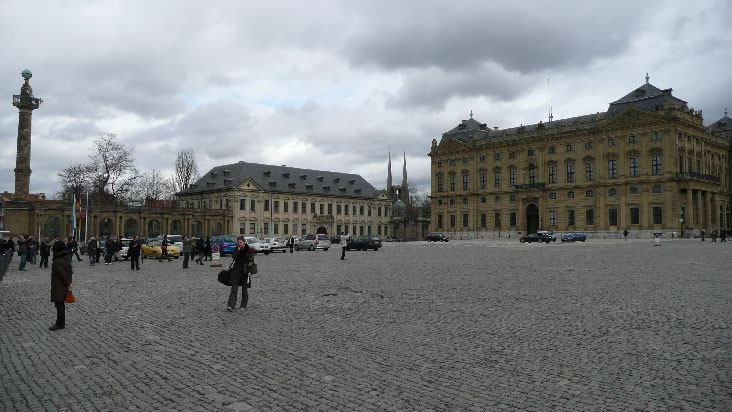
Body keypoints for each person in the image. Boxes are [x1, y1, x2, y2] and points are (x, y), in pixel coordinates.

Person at [49, 240, 72, 331]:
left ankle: (60, 323)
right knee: (60, 304)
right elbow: (70, 271)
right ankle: (60, 322)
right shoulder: (66, 258)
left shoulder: (57, 261)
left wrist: (67, 283)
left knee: (59, 305)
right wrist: (69, 282)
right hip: (63, 284)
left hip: (59, 285)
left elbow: (62, 274)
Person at [227, 236, 253, 311]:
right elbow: (234, 258)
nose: (239, 243)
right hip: (236, 270)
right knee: (234, 288)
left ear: (244, 242)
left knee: (244, 288)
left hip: (245, 271)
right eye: (238, 242)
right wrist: (238, 250)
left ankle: (243, 305)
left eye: (240, 242)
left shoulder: (248, 250)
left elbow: (251, 261)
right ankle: (231, 305)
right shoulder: (236, 249)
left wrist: (250, 271)